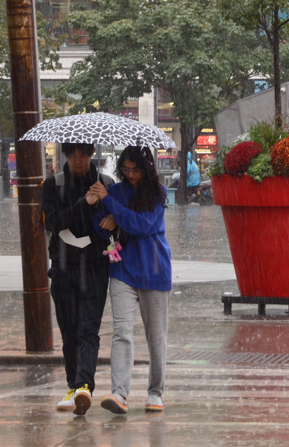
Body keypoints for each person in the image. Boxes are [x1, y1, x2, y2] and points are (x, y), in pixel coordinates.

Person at [89, 145, 172, 415]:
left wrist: (115, 211)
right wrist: (98, 208)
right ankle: (119, 394)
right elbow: (100, 228)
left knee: (155, 336)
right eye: (125, 170)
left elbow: (142, 226)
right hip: (122, 270)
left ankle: (155, 393)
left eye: (135, 169)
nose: (131, 175)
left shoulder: (157, 193)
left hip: (154, 271)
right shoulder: (115, 191)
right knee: (121, 332)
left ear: (146, 168)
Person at [41, 142, 114, 416]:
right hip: (63, 267)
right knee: (69, 330)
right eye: (73, 155)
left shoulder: (105, 182)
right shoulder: (53, 185)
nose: (79, 160)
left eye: (83, 154)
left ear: (92, 153)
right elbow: (54, 222)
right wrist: (86, 203)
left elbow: (118, 218)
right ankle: (72, 386)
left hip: (95, 268)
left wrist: (113, 217)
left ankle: (84, 386)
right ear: (66, 156)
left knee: (87, 329)